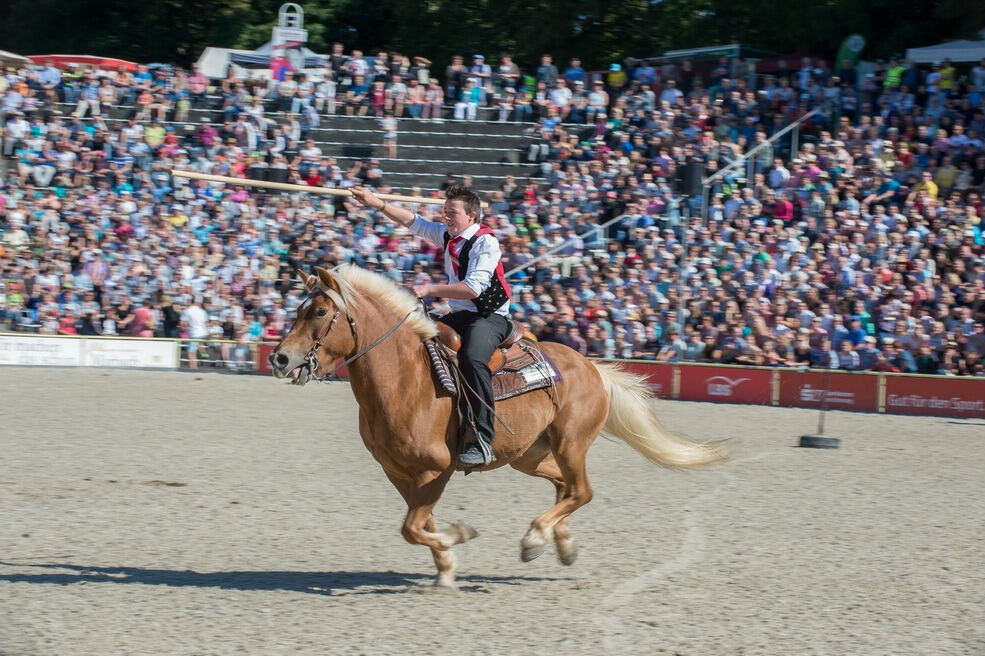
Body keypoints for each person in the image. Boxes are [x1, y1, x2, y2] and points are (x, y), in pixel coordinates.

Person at [349, 184, 512, 467]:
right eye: (444, 211)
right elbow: (413, 222)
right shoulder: (450, 235)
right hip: (460, 315)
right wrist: (376, 203)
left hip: (490, 316)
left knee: (473, 358)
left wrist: (429, 289)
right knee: (413, 340)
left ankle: (483, 438)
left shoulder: (485, 242)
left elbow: (473, 288)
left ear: (471, 216)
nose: (445, 217)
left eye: (452, 212)